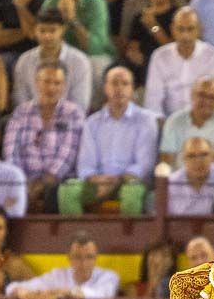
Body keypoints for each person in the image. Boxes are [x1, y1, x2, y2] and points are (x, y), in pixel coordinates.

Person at [62, 67, 157, 215]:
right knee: (67, 192)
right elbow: (85, 165)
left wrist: (116, 180)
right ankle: (78, 237)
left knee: (131, 195)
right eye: (114, 83)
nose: (119, 88)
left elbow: (145, 165)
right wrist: (97, 179)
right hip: (98, 182)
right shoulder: (92, 122)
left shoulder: (146, 121)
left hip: (130, 182)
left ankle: (128, 238)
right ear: (105, 88)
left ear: (132, 90)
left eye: (125, 84)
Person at [3, 62, 86, 213]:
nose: (51, 88)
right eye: (47, 82)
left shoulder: (73, 113)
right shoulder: (21, 112)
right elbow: (11, 151)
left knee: (54, 194)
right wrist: (22, 183)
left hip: (59, 180)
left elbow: (68, 155)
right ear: (36, 83)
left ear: (64, 86)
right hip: (24, 180)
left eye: (57, 83)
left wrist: (42, 184)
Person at [40, 0, 115, 88]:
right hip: (62, 53)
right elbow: (46, 40)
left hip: (94, 55)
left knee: (96, 67)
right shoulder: (50, 4)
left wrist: (73, 20)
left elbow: (95, 48)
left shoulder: (96, 2)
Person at [144, 7, 214, 118]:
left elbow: (212, 98)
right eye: (180, 29)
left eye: (190, 29)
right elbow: (153, 99)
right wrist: (162, 124)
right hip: (168, 122)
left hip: (203, 120)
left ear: (199, 30)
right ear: (173, 30)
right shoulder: (159, 56)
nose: (185, 36)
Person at [7, 230, 121, 299]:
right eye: (77, 257)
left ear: (96, 257)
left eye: (89, 257)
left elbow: (101, 296)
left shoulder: (109, 276)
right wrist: (24, 292)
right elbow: (12, 287)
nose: (84, 263)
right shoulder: (58, 276)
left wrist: (64, 293)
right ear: (69, 258)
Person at [13, 9, 93, 111]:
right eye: (42, 31)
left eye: (52, 30)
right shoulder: (24, 61)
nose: (47, 36)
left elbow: (80, 103)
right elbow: (20, 99)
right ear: (35, 31)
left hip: (69, 119)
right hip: (30, 118)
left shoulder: (80, 61)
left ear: (62, 30)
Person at [158, 77, 214, 168]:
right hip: (179, 179)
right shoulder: (174, 120)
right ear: (192, 95)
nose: (207, 101)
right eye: (202, 95)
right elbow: (166, 160)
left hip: (212, 177)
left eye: (212, 97)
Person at [122, 0, 179, 85]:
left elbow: (173, 49)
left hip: (166, 60)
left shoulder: (177, 15)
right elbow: (133, 45)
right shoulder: (140, 16)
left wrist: (153, 26)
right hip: (141, 60)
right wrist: (134, 54)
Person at [167, 137, 214, 216]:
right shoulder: (170, 183)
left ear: (212, 157)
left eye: (204, 155)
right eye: (191, 156)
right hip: (180, 228)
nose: (198, 161)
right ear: (183, 159)